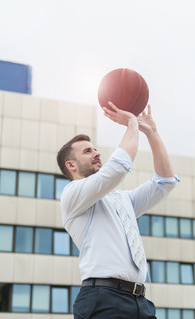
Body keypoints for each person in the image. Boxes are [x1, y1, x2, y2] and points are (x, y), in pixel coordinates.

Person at [56, 102, 179, 319]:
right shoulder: (72, 195)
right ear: (71, 165)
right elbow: (118, 167)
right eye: (87, 151)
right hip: (103, 299)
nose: (96, 154)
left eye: (95, 149)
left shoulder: (122, 199)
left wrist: (151, 133)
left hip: (140, 302)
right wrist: (131, 122)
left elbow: (165, 183)